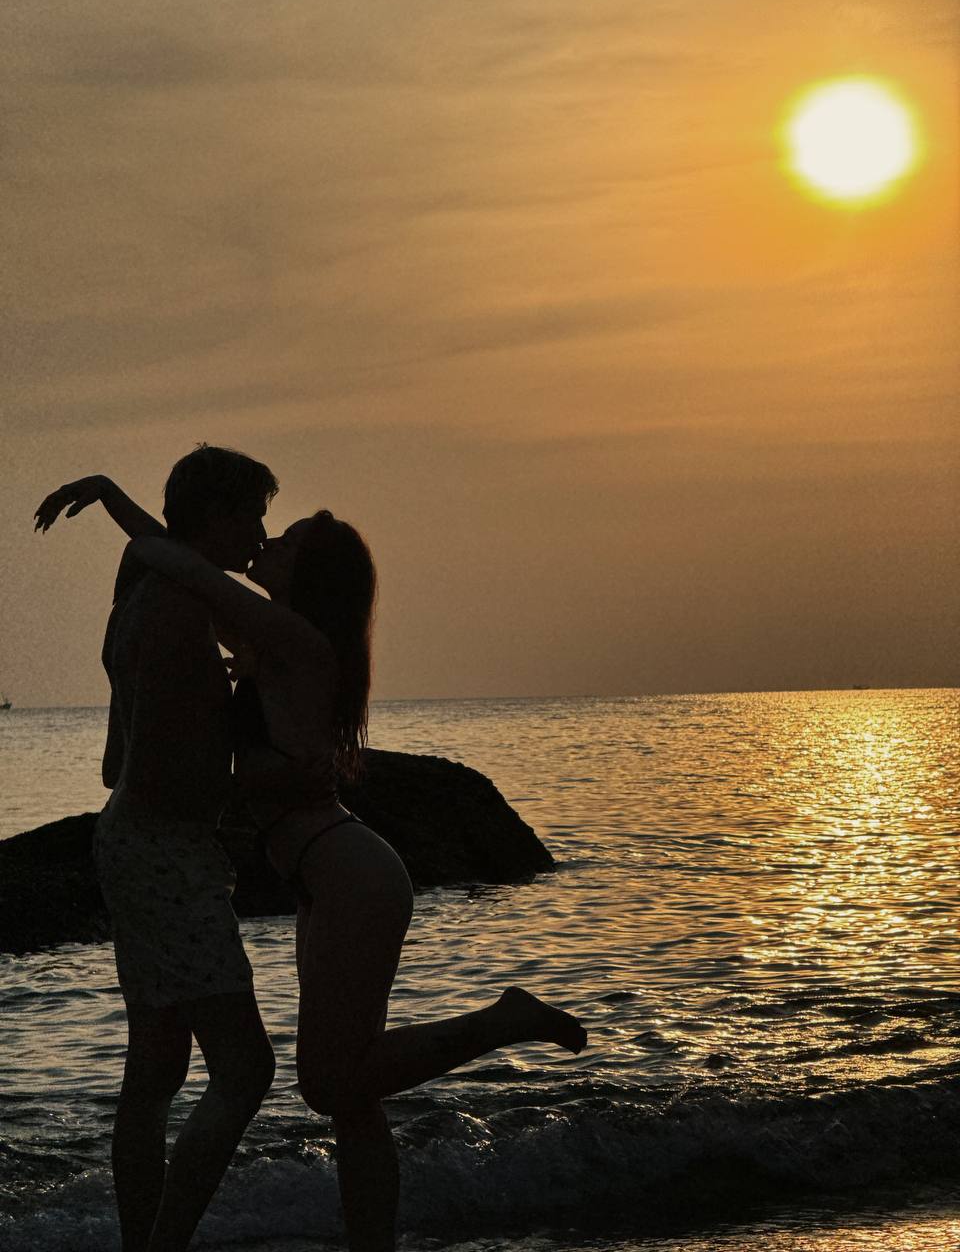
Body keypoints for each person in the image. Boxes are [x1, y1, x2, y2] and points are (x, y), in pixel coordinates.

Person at [40, 480, 588, 1252]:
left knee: (328, 1083)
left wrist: (116, 506)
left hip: (349, 873)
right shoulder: (271, 638)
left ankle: (504, 1019)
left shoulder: (293, 639)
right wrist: (113, 501)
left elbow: (184, 563)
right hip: (324, 878)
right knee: (353, 1096)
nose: (269, 542)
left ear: (312, 576)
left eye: (288, 541)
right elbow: (182, 556)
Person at [34, 448, 279, 1252]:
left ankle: (142, 1239)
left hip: (134, 842)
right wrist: (251, 787)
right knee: (244, 1069)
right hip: (165, 850)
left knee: (157, 1071)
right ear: (215, 517)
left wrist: (109, 491)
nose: (261, 533)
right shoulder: (177, 612)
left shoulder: (148, 582)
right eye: (252, 515)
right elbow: (167, 772)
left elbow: (157, 541)